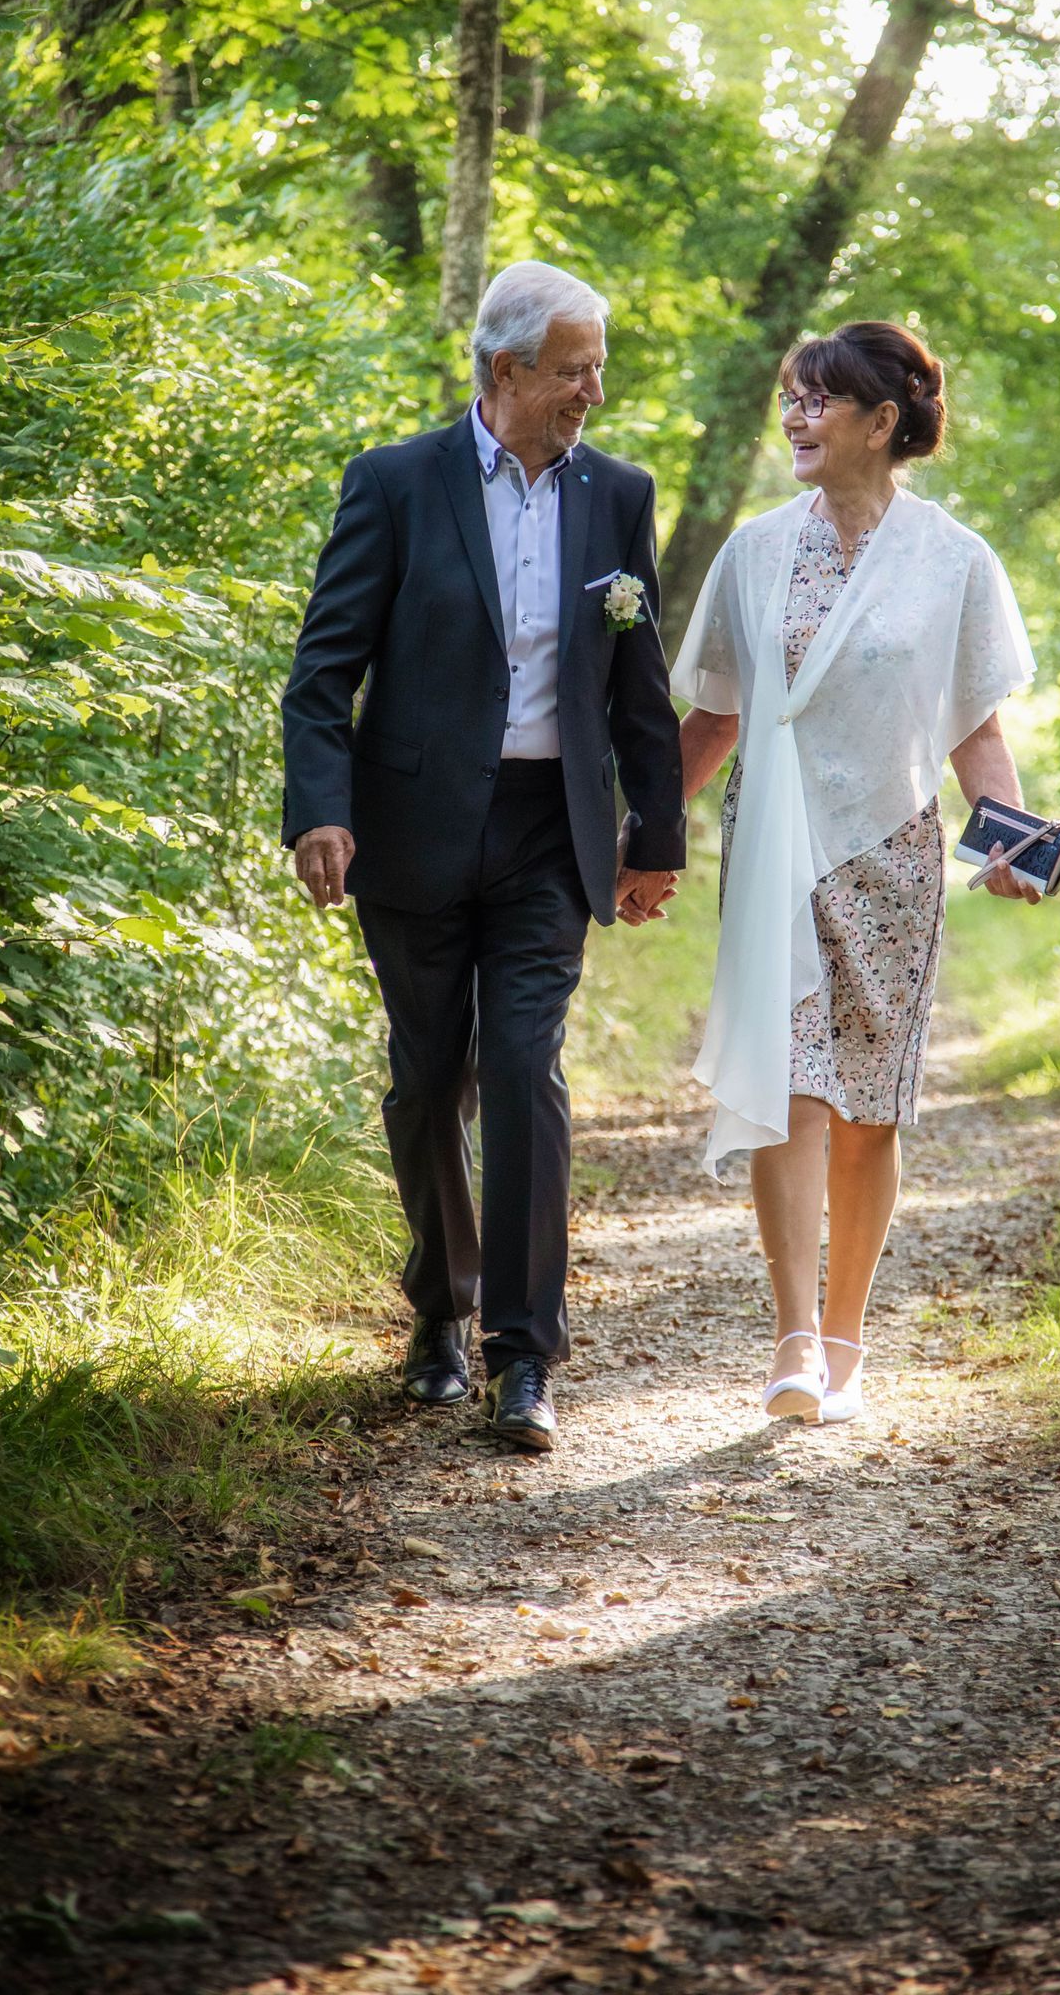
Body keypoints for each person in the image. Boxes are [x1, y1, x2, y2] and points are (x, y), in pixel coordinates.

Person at [280, 261, 685, 1453]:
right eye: (574, 370)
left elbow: (640, 687)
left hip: (546, 836)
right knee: (425, 1083)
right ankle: (438, 1314)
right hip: (410, 833)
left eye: (596, 367)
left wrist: (653, 836)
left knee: (521, 1066)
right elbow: (323, 674)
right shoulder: (396, 482)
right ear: (505, 371)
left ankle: (522, 1352)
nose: (593, 392)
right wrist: (321, 810)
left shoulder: (617, 494)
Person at [670, 319, 1038, 1427]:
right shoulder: (752, 551)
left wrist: (1011, 837)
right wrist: (635, 843)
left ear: (883, 423)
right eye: (790, 397)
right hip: (777, 842)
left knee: (868, 1107)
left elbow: (973, 727)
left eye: (817, 400)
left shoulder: (954, 562)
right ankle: (790, 1341)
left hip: (892, 855)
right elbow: (711, 717)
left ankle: (845, 1341)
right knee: (792, 1087)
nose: (795, 417)